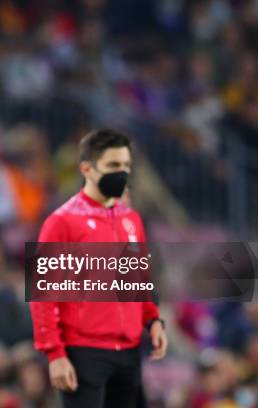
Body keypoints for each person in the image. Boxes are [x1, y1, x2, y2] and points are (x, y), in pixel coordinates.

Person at [29, 129, 168, 408]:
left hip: (129, 352)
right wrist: (55, 354)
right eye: (114, 165)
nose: (123, 173)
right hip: (84, 352)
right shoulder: (62, 222)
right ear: (87, 169)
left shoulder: (131, 220)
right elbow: (43, 294)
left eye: (127, 166)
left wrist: (152, 321)